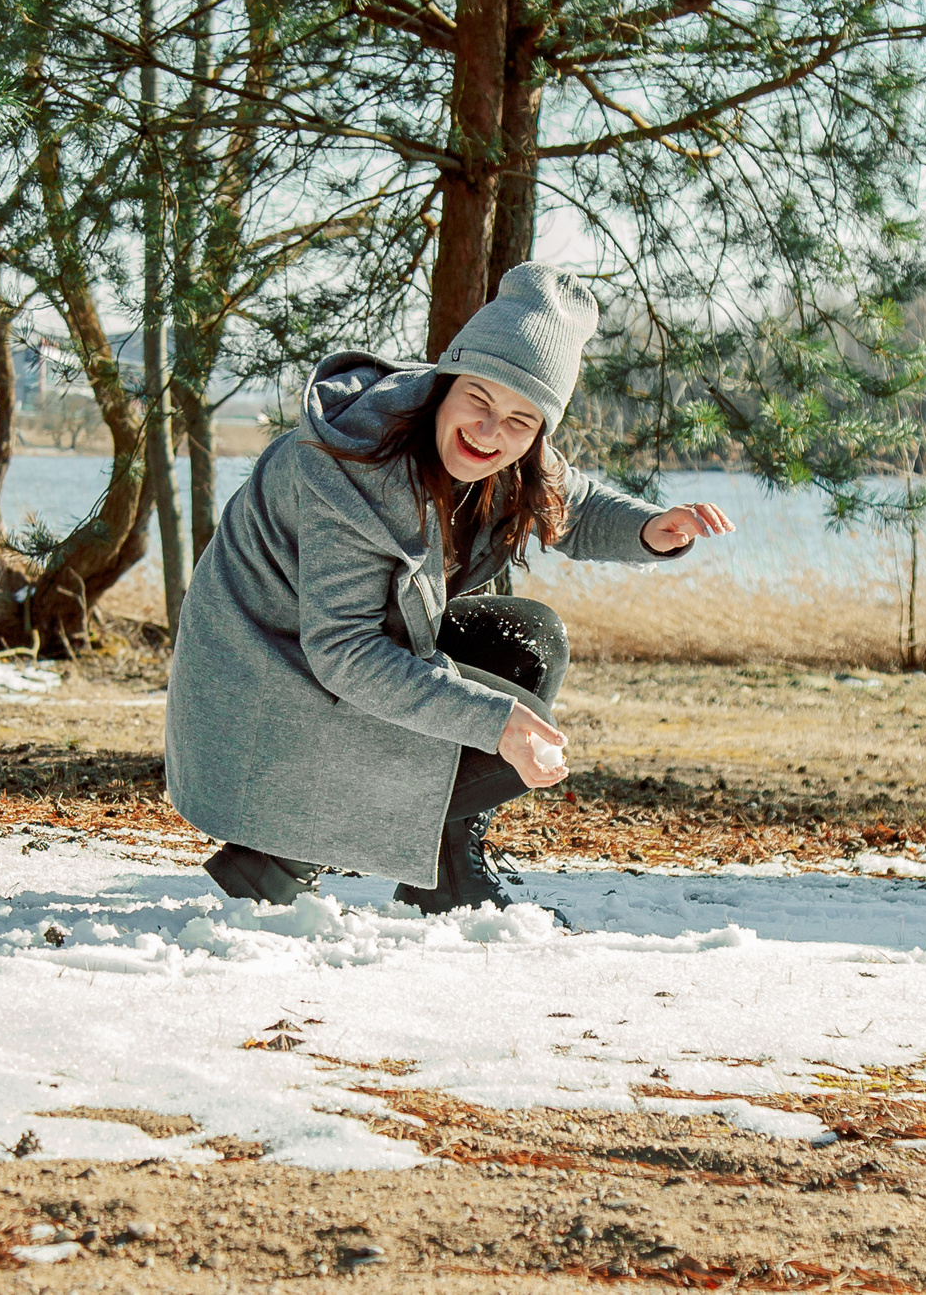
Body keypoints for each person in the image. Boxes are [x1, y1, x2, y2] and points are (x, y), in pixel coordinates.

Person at [165, 263, 734, 915]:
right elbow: (345, 653)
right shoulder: (354, 468)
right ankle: (276, 853)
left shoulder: (505, 446)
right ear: (445, 381)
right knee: (517, 737)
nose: (491, 432)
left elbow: (568, 497)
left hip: (318, 675)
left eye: (521, 421)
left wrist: (653, 528)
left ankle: (445, 871)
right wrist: (492, 721)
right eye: (480, 402)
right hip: (261, 707)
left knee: (531, 638)